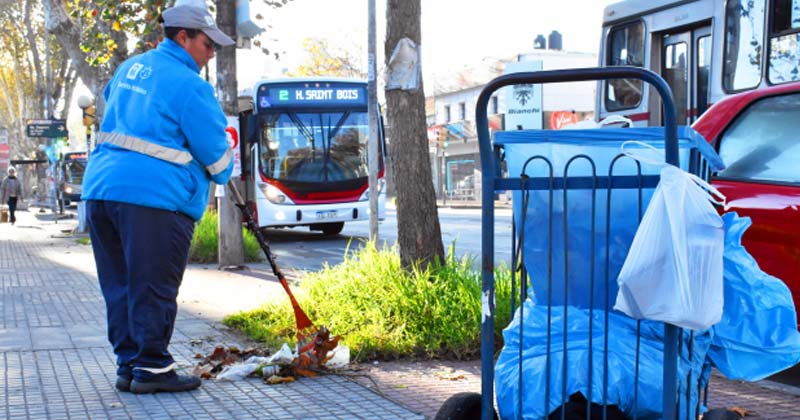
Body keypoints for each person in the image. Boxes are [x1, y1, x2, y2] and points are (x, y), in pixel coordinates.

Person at [80, 1, 234, 394]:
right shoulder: (190, 86)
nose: (211, 52)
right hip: (153, 200)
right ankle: (152, 366)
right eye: (207, 43)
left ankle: (129, 364)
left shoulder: (129, 67)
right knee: (153, 285)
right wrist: (222, 166)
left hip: (100, 192)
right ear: (183, 37)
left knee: (120, 285)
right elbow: (217, 158)